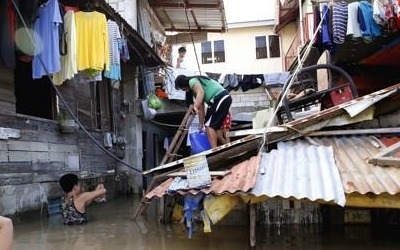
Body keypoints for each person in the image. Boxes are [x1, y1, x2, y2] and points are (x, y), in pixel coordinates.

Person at [175, 75, 232, 148]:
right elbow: (201, 108)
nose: (185, 91)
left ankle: (214, 149)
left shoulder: (192, 81)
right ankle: (215, 148)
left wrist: (195, 106)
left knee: (209, 125)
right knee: (208, 125)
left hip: (220, 97)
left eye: (183, 89)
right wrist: (200, 124)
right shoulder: (196, 91)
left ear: (183, 84)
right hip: (218, 100)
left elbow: (201, 92)